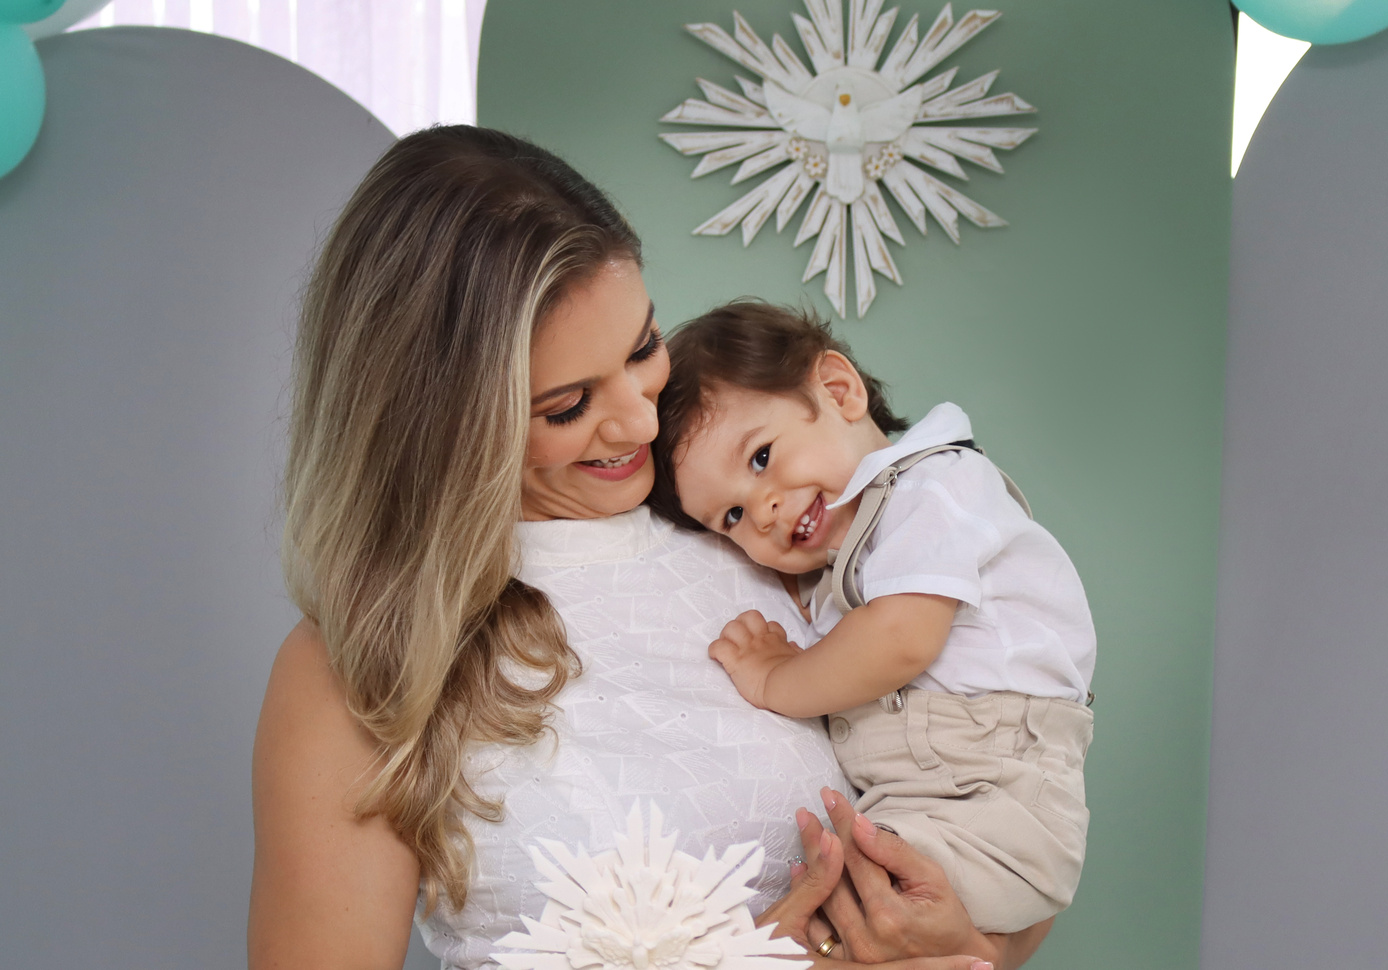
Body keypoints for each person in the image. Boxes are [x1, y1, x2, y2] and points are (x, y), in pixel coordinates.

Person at [247, 126, 1053, 970]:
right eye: (568, 406)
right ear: (441, 422)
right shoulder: (363, 667)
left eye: (642, 349)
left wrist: (969, 943)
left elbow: (1006, 810)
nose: (640, 421)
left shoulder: (763, 534)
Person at [647, 301, 1096, 934]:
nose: (763, 509)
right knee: (820, 909)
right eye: (733, 517)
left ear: (838, 390)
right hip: (933, 801)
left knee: (825, 917)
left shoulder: (936, 484)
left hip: (994, 796)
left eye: (761, 458)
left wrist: (776, 677)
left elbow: (901, 639)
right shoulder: (843, 563)